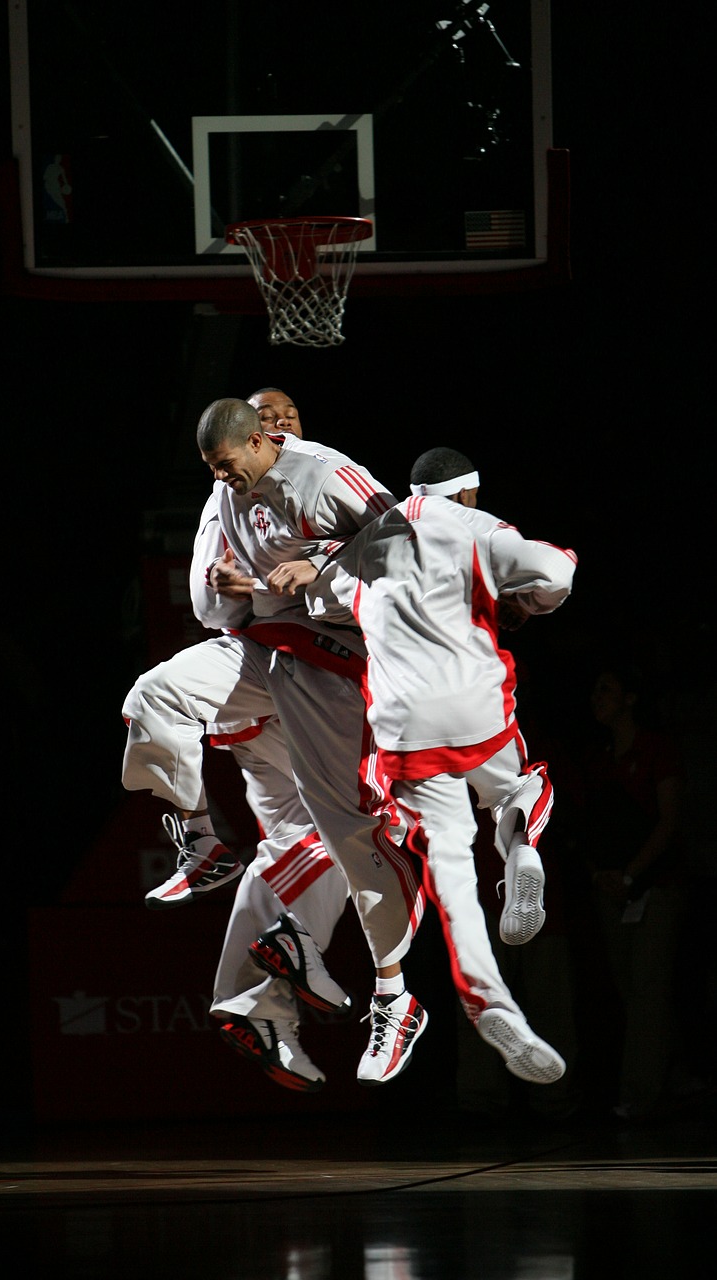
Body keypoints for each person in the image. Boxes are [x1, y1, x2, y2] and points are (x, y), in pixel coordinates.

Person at [122, 396, 427, 1088]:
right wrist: (237, 587)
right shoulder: (227, 491)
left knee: (332, 838)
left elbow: (407, 554)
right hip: (267, 669)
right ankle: (201, 846)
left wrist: (320, 568)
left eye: (287, 412)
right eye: (217, 469)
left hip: (338, 666)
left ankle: (337, 994)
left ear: (269, 437)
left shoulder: (326, 474)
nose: (282, 421)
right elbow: (214, 610)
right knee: (153, 696)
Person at [268, 446, 577, 1086]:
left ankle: (490, 1003)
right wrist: (524, 601)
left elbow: (327, 601)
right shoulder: (478, 525)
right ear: (467, 494)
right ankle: (523, 849)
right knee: (521, 783)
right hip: (472, 710)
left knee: (453, 878)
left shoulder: (372, 537)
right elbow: (554, 572)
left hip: (402, 732)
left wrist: (303, 571)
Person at [574, 654, 688, 1121]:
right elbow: (586, 826)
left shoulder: (657, 749)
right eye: (595, 689)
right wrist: (600, 873)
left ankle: (639, 1096)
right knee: (630, 989)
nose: (597, 698)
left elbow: (670, 820)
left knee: (648, 989)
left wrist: (630, 874)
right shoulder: (600, 760)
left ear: (631, 698)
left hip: (655, 887)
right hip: (611, 890)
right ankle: (672, 1078)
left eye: (606, 688)